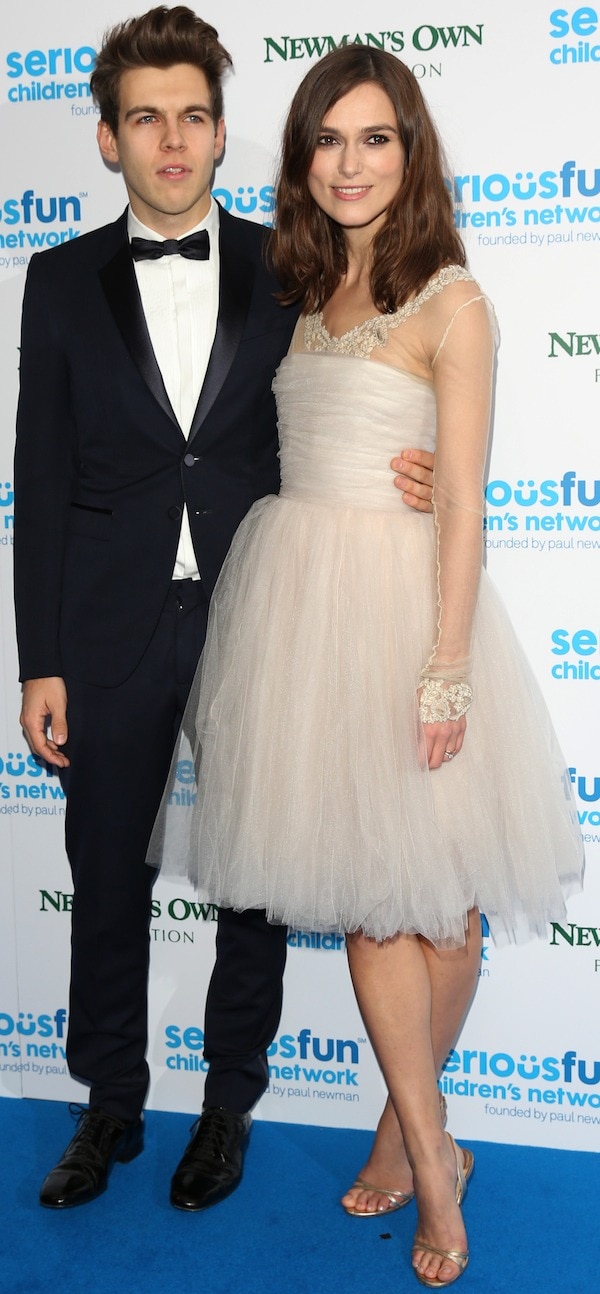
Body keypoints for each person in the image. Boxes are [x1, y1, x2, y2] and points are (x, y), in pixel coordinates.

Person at [149, 44, 583, 1286]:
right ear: (302, 160)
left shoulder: (454, 299)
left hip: (407, 618)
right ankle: (437, 1152)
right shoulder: (296, 297)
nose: (350, 162)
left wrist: (446, 667)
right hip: (297, 618)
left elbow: (467, 502)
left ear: (411, 151)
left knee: (442, 908)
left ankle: (403, 1116)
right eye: (328, 140)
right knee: (374, 897)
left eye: (375, 137)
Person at [13, 8, 433, 1213]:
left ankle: (227, 1107)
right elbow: (37, 476)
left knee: (255, 877)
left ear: (219, 128)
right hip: (105, 623)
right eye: (146, 117)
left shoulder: (288, 263)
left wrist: (433, 463)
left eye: (194, 114)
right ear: (108, 138)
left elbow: (383, 362)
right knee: (104, 871)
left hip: (263, 612)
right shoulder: (56, 281)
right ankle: (108, 1105)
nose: (174, 138)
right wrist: (39, 658)